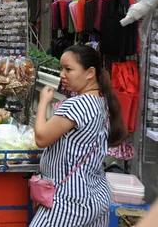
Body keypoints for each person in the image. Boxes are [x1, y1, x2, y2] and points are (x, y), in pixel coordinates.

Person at [31, 45, 126, 227]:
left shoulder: (77, 104)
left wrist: (43, 102)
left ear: (90, 73)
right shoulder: (103, 102)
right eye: (61, 69)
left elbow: (41, 138)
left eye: (68, 69)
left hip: (69, 201)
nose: (62, 74)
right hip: (97, 195)